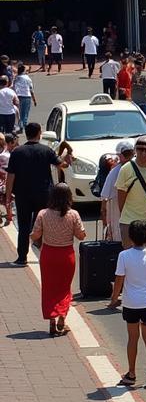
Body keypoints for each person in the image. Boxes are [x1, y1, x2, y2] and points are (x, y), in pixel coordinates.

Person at [5, 122, 71, 265]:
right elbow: (62, 165)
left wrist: (8, 194)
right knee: (45, 224)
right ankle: (45, 254)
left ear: (27, 134)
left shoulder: (17, 152)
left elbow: (11, 175)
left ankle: (22, 258)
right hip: (44, 194)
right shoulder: (46, 150)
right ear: (39, 134)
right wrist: (66, 155)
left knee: (23, 225)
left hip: (23, 195)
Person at [108, 219, 146, 389]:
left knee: (133, 338)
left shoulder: (124, 256)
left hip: (131, 303)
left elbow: (119, 280)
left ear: (130, 237)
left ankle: (131, 373)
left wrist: (114, 298)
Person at [30, 183, 85, 336]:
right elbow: (81, 235)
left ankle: (52, 321)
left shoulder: (43, 214)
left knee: (49, 288)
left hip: (49, 254)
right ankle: (62, 316)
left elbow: (35, 235)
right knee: (64, 288)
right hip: (66, 256)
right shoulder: (73, 214)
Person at [100, 140, 135, 240]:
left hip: (120, 213)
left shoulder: (115, 171)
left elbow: (104, 197)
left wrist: (105, 221)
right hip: (122, 211)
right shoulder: (139, 167)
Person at [12, 63, 33, 133]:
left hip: (18, 96)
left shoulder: (16, 78)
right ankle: (24, 126)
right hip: (27, 96)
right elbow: (31, 88)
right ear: (24, 71)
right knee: (25, 112)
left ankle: (20, 126)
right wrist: (34, 99)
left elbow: (14, 87)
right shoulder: (27, 78)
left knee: (19, 112)